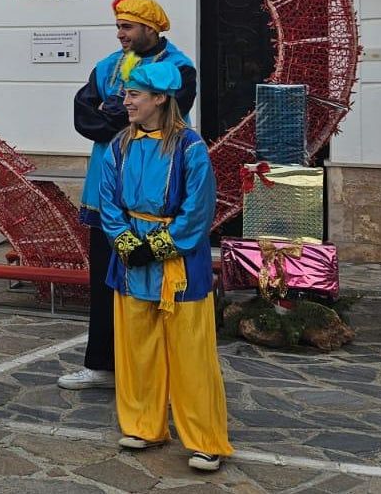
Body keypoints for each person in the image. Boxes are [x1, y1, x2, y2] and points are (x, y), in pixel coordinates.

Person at [98, 60, 231, 473]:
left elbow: (198, 210)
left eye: (133, 94)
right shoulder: (118, 145)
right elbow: (108, 202)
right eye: (126, 94)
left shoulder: (190, 147)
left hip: (179, 268)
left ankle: (205, 439)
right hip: (130, 263)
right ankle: (144, 425)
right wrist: (124, 241)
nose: (126, 101)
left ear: (159, 99)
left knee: (191, 354)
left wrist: (155, 246)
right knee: (137, 349)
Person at [62, 0, 197, 391]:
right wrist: (120, 121)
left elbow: (169, 112)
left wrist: (114, 114)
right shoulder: (107, 66)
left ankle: (158, 366)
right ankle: (102, 363)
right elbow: (82, 113)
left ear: (150, 28)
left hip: (157, 186)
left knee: (156, 278)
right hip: (106, 185)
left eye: (127, 26)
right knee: (106, 275)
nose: (120, 34)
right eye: (118, 26)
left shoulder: (179, 68)